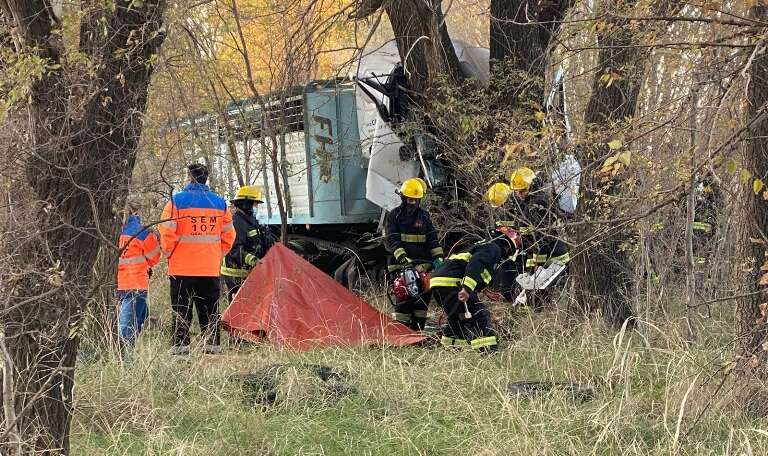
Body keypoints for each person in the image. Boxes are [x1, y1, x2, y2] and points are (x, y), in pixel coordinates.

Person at [159, 163, 235, 355]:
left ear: (190, 178)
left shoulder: (176, 202)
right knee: (209, 309)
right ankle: (212, 348)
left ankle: (180, 350)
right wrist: (216, 255)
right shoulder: (219, 203)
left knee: (181, 309)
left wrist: (169, 255)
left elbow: (167, 233)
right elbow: (229, 236)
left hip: (181, 267)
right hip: (208, 268)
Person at [429, 227, 521, 352]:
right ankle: (488, 352)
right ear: (508, 245)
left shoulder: (482, 246)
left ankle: (451, 350)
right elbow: (475, 264)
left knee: (457, 319)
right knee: (480, 316)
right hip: (453, 283)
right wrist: (467, 288)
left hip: (438, 282)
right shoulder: (493, 248)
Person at [384, 177, 444, 330]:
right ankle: (402, 334)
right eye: (409, 200)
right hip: (400, 266)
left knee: (422, 301)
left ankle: (417, 334)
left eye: (415, 200)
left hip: (423, 266)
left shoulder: (424, 217)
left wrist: (438, 259)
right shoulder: (394, 216)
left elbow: (432, 240)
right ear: (403, 198)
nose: (412, 203)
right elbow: (393, 240)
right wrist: (403, 258)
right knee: (404, 299)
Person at [117, 198, 160, 348]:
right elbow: (154, 257)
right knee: (128, 326)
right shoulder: (142, 232)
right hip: (136, 283)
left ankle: (150, 322)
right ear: (137, 211)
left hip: (119, 284)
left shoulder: (114, 230)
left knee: (133, 319)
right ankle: (125, 359)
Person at [220, 185, 275, 301]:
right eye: (255, 204)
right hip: (236, 274)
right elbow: (234, 250)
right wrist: (253, 260)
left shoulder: (251, 221)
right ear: (246, 204)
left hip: (248, 272)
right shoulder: (236, 222)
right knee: (240, 307)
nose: (256, 207)